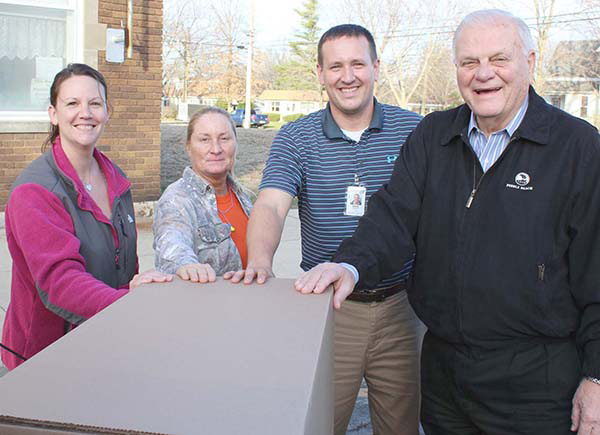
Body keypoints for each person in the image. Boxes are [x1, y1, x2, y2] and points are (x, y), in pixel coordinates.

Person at [295, 9, 600, 435]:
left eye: (499, 59)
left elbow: (596, 274)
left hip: (535, 385)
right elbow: (393, 215)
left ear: (529, 63)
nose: (483, 74)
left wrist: (596, 377)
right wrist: (350, 264)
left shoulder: (578, 147)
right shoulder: (434, 136)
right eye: (469, 62)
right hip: (445, 378)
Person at [226, 25, 424, 435]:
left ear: (376, 68)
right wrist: (260, 261)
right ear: (319, 73)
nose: (346, 76)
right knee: (319, 423)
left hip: (404, 309)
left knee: (402, 426)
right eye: (335, 66)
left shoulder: (415, 131)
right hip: (330, 310)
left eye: (357, 63)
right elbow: (271, 205)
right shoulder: (296, 137)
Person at [1, 64, 171, 370]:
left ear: (107, 112)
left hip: (103, 340)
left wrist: (136, 291)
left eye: (95, 103)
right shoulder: (35, 191)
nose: (85, 113)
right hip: (45, 357)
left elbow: (125, 262)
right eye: (72, 104)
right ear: (53, 114)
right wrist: (128, 306)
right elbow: (60, 282)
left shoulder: (116, 178)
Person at [153, 107, 252, 282]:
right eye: (204, 139)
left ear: (236, 143)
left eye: (224, 138)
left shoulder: (243, 197)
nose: (216, 149)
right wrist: (186, 266)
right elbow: (173, 250)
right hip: (204, 305)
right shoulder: (176, 201)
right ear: (189, 147)